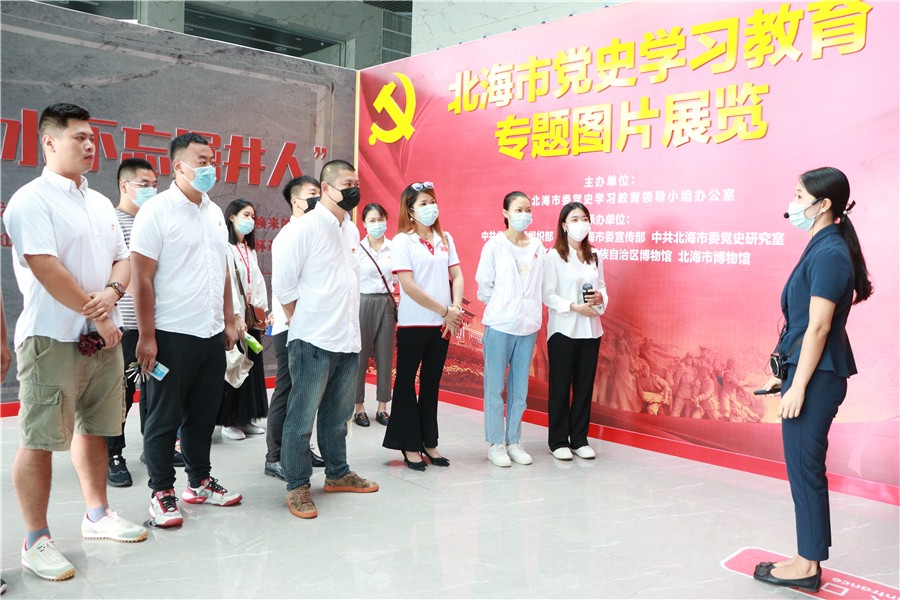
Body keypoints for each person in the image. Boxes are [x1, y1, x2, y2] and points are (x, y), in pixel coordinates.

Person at [3, 103, 147, 582]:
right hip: (52, 339)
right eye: (78, 137)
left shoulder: (100, 202)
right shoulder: (31, 200)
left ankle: (97, 514)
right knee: (40, 439)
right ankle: (35, 539)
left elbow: (123, 259)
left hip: (103, 340)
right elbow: (46, 268)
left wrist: (113, 294)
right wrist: (100, 313)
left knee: (96, 429)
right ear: (49, 141)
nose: (89, 145)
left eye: (92, 137)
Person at [753, 167, 872, 593]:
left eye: (801, 195)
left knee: (805, 471)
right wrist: (783, 376)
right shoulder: (823, 245)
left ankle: (807, 565)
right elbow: (803, 326)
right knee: (803, 470)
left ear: (823, 205)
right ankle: (805, 556)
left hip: (817, 379)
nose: (794, 202)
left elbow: (819, 328)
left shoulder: (830, 253)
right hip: (808, 371)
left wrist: (798, 386)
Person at [131, 132, 241, 528]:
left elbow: (222, 269)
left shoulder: (213, 212)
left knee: (203, 414)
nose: (211, 167)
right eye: (202, 161)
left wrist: (228, 319)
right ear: (179, 166)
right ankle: (161, 491)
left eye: (213, 160)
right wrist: (147, 336)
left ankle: (199, 482)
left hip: (210, 332)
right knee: (164, 418)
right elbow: (141, 278)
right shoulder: (156, 211)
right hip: (170, 334)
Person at [272, 160, 379, 519]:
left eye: (356, 182)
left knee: (337, 415)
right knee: (301, 418)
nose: (354, 189)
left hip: (347, 338)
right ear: (327, 188)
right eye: (348, 183)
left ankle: (337, 473)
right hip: (312, 339)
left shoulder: (349, 229)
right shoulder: (305, 228)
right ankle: (297, 485)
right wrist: (303, 320)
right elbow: (284, 284)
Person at [382, 181, 464, 470]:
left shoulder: (445, 238)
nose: (431, 208)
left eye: (432, 202)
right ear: (410, 210)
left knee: (432, 383)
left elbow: (457, 275)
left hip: (441, 325)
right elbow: (408, 285)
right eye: (424, 204)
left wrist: (454, 309)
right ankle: (409, 444)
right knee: (406, 382)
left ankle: (429, 441)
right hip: (414, 323)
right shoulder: (402, 241)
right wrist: (445, 310)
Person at [475, 191, 545, 467]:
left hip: (527, 326)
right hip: (500, 325)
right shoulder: (494, 246)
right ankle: (496, 443)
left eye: (528, 209)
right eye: (518, 209)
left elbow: (541, 284)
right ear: (505, 213)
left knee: (520, 389)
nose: (524, 214)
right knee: (494, 387)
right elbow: (484, 286)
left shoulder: (538, 246)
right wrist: (504, 306)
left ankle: (514, 440)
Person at [265, 175, 323, 480]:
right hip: (290, 325)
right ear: (296, 201)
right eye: (313, 193)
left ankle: (300, 449)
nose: (319, 198)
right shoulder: (288, 236)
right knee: (286, 389)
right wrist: (294, 317)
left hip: (313, 325)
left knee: (307, 392)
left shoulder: (314, 232)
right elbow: (284, 285)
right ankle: (274, 456)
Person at [541, 201, 607, 461]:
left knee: (584, 386)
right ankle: (558, 441)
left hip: (591, 330)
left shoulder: (594, 255)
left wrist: (600, 299)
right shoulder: (554, 256)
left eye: (585, 219)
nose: (581, 224)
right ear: (564, 225)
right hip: (564, 330)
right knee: (560, 386)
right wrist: (574, 307)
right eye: (575, 219)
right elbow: (548, 294)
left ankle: (579, 439)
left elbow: (602, 287)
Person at [106, 157, 158, 488]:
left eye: (155, 185)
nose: (152, 190)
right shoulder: (110, 221)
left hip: (153, 323)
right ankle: (113, 454)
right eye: (144, 184)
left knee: (155, 389)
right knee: (120, 393)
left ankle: (153, 449)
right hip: (123, 323)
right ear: (125, 186)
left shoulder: (154, 221)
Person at [218, 199, 269, 441]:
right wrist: (235, 316)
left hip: (250, 319)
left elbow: (257, 283)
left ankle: (244, 419)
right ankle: (228, 421)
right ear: (232, 217)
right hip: (235, 318)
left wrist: (262, 311)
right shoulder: (226, 248)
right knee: (234, 367)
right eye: (246, 215)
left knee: (250, 368)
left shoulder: (249, 250)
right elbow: (227, 286)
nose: (250, 220)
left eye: (253, 216)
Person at [354, 202, 397, 428]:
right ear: (364, 224)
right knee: (359, 358)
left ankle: (382, 407)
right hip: (363, 302)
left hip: (386, 302)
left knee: (385, 356)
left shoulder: (394, 248)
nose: (377, 224)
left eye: (381, 219)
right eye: (372, 220)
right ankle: (358, 407)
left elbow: (399, 278)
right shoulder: (357, 249)